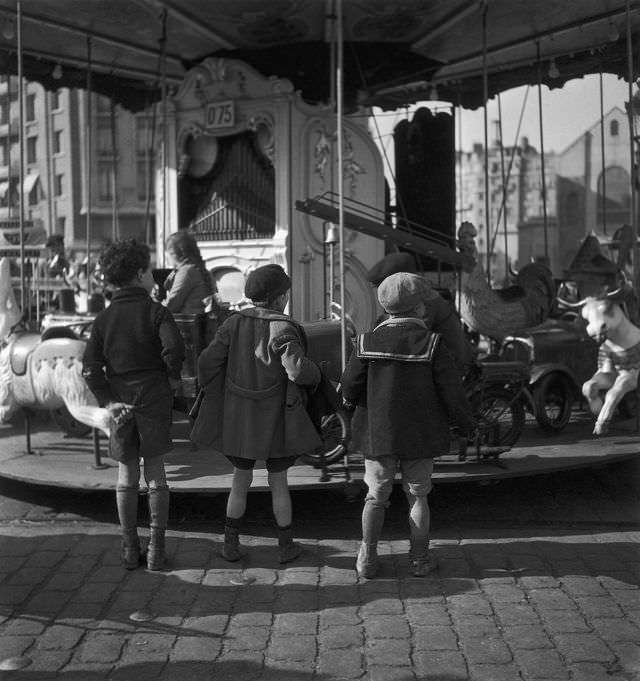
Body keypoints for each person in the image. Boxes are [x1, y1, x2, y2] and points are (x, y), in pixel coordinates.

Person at [340, 272, 477, 579]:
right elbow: (452, 392)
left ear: (384, 306)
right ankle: (419, 559)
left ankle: (368, 558)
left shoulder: (366, 342)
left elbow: (349, 386)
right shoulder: (432, 344)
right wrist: (468, 424)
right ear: (418, 309)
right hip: (420, 434)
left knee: (375, 495)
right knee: (417, 495)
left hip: (378, 435)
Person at [191, 264, 322, 564]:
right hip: (277, 421)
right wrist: (318, 375)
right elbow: (297, 370)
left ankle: (230, 545)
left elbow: (206, 364)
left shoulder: (231, 324)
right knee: (279, 482)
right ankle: (286, 547)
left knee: (240, 479)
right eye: (286, 292)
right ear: (278, 298)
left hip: (239, 419)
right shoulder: (283, 326)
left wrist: (219, 389)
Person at [82, 239, 185, 571]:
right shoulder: (158, 312)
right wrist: (170, 379)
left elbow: (89, 368)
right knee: (156, 474)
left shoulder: (103, 320)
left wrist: (108, 401)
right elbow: (174, 349)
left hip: (121, 404)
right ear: (141, 273)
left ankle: (129, 549)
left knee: (126, 474)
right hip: (153, 398)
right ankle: (156, 551)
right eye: (150, 269)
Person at [367, 252, 474, 372]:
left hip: (448, 367)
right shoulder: (419, 298)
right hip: (437, 363)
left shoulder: (424, 302)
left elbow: (411, 336)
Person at [162, 230, 214, 314]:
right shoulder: (201, 269)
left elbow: (170, 306)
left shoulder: (186, 272)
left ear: (173, 253)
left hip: (187, 324)